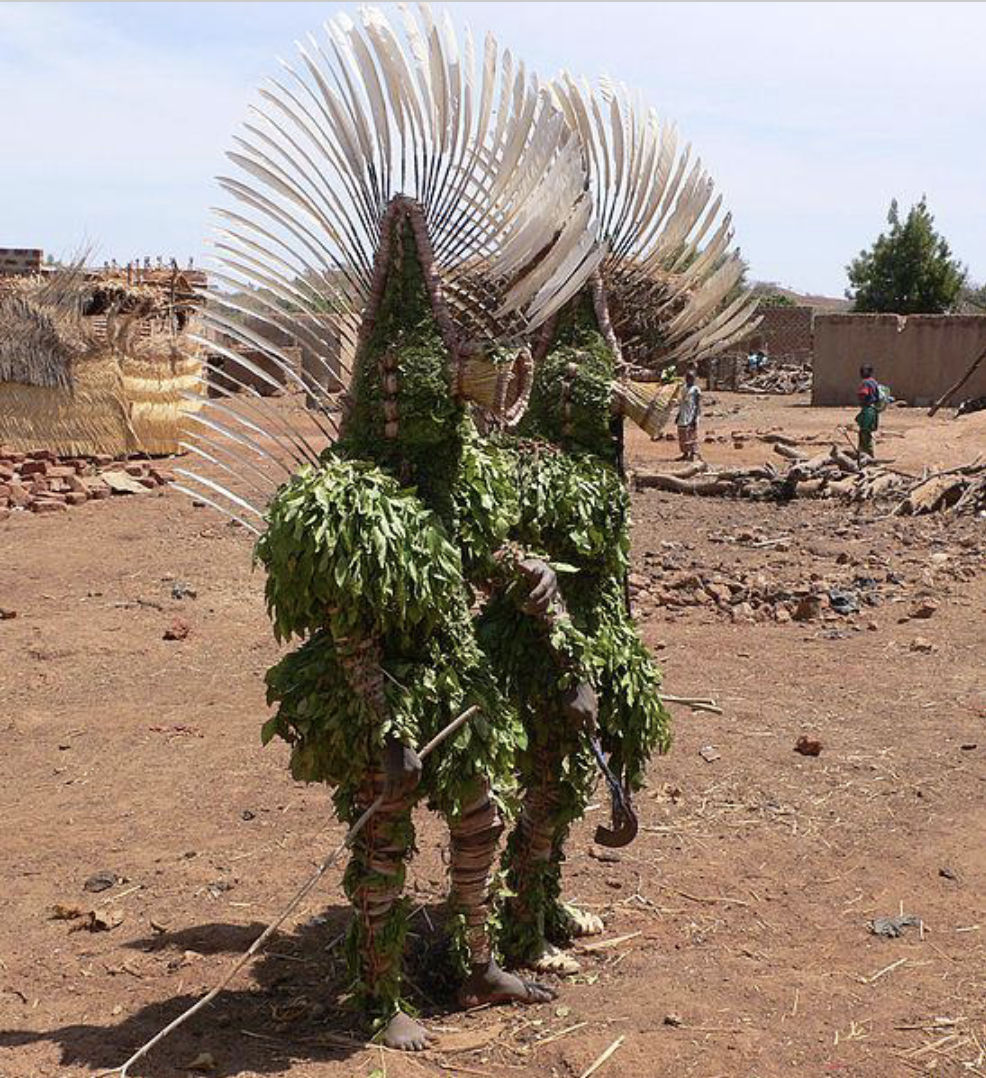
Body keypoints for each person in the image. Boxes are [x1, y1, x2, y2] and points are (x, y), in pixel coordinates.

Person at [675, 368, 702, 460]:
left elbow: (697, 405)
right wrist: (678, 414)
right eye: (687, 378)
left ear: (694, 379)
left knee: (691, 433)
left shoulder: (696, 390)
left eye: (690, 378)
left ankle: (693, 454)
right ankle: (685, 453)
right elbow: (682, 402)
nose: (688, 380)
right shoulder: (684, 388)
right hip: (683, 413)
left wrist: (695, 417)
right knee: (682, 434)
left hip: (691, 414)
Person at [856, 363, 880, 457]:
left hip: (868, 410)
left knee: (864, 433)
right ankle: (865, 454)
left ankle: (866, 455)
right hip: (874, 410)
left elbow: (864, 394)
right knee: (867, 432)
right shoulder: (874, 382)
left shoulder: (865, 383)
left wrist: (860, 399)